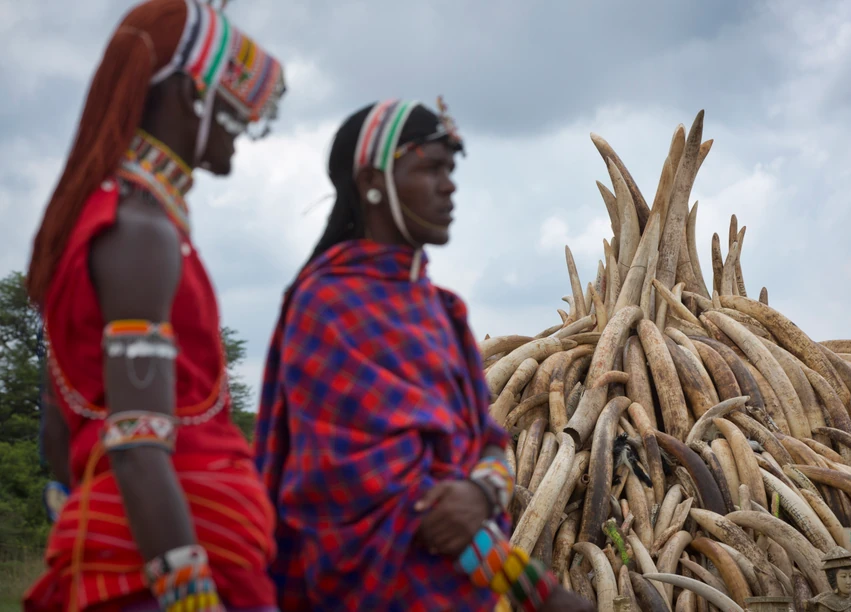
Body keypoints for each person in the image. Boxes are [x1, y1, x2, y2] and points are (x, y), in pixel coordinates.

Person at [253, 98, 591, 612]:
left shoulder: (444, 311)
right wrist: (539, 593)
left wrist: (482, 493)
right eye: (431, 168)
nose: (449, 185)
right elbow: (398, 502)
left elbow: (486, 442)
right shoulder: (327, 306)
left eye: (450, 169)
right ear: (373, 182)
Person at [22, 1, 287, 610]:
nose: (241, 126)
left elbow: (58, 435)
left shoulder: (105, 220)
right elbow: (137, 440)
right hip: (164, 575)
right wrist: (190, 594)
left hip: (144, 556)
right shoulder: (138, 230)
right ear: (190, 95)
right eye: (232, 105)